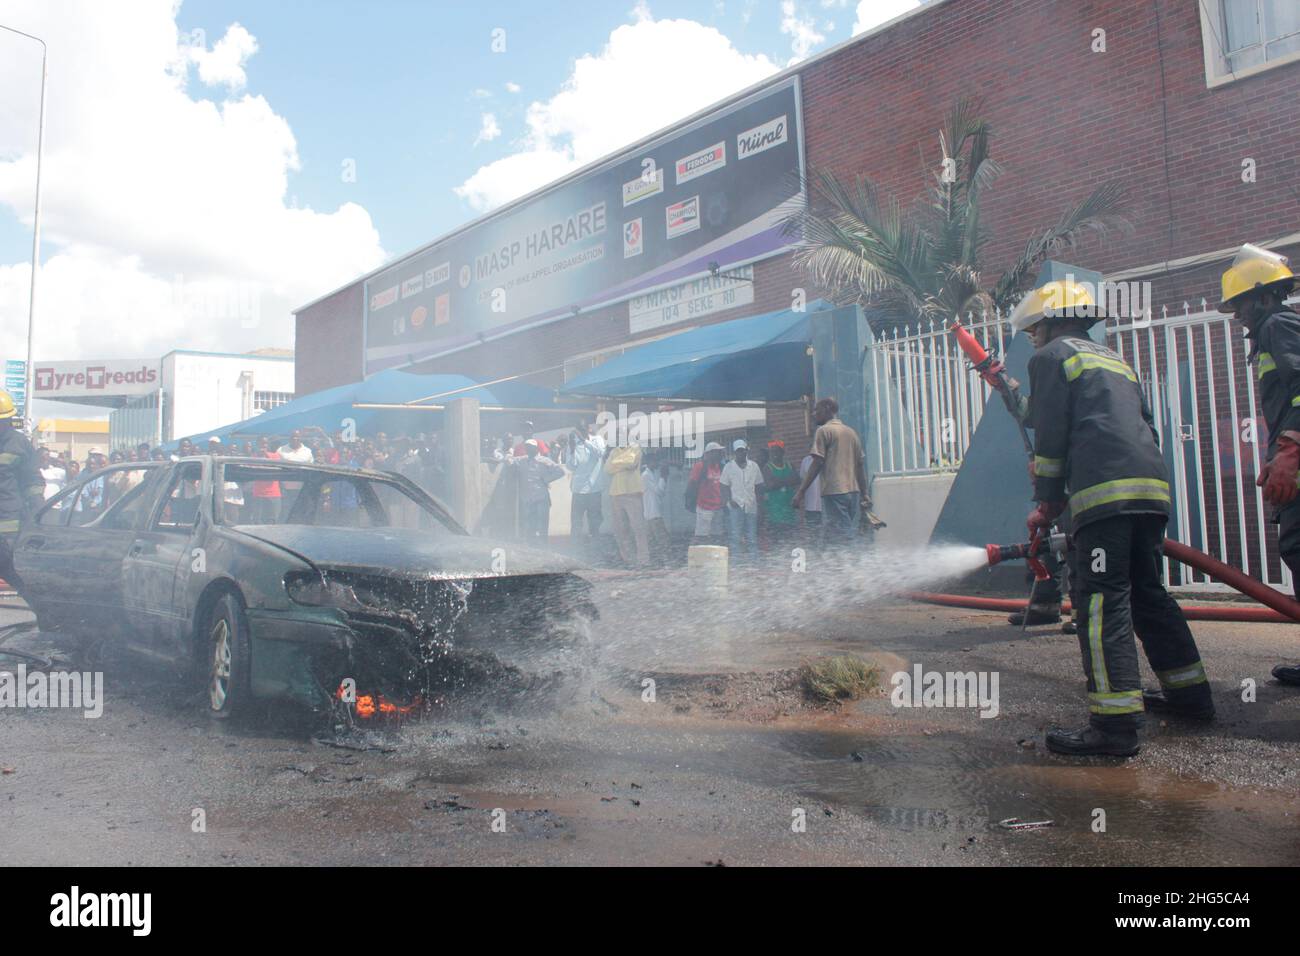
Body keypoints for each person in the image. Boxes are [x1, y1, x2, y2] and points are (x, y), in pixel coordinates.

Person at [1013, 275, 1212, 757]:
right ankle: (1191, 696)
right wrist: (1011, 393)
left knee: (1101, 604)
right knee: (1148, 593)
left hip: (1104, 495)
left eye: (1033, 329)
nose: (1032, 339)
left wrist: (1048, 499)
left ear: (1050, 321)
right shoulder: (1112, 361)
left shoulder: (1051, 357)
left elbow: (1052, 435)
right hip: (1149, 488)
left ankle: (1114, 726)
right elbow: (1127, 420)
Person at [1219, 244, 1300, 687]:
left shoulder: (1279, 325)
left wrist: (1290, 447)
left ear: (1264, 296)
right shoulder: (1278, 326)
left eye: (1242, 304)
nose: (1238, 316)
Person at [793, 398, 869, 549]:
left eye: (817, 410)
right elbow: (860, 466)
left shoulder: (823, 431)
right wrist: (864, 493)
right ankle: (828, 565)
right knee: (832, 535)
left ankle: (856, 565)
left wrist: (801, 492)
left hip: (835, 492)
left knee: (843, 535)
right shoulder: (851, 432)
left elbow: (817, 463)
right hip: (853, 493)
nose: (814, 414)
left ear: (827, 409)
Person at [0, 390, 44, 593]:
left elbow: (32, 482)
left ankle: (45, 614)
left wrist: (40, 513)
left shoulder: (18, 444)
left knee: (17, 575)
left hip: (8, 527)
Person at [605, 440, 649, 567]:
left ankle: (643, 560)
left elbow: (631, 463)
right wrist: (622, 464)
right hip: (616, 493)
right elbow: (607, 469)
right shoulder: (614, 451)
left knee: (638, 528)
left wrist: (616, 464)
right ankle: (629, 560)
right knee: (621, 530)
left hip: (632, 492)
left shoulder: (635, 448)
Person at [510, 439, 564, 542]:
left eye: (531, 447)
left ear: (536, 449)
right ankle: (532, 550)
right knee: (530, 526)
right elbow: (510, 460)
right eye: (527, 447)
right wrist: (508, 459)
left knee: (543, 526)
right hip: (529, 499)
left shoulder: (544, 460)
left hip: (542, 498)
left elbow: (560, 471)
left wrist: (547, 479)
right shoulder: (522, 460)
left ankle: (544, 548)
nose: (529, 449)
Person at [721, 439, 763, 563]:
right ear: (735, 452)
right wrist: (728, 502)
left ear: (746, 451)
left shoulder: (754, 466)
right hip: (735, 506)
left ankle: (754, 563)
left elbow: (760, 486)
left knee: (752, 537)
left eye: (743, 451)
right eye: (738, 451)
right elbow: (723, 486)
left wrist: (760, 506)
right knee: (735, 537)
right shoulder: (729, 467)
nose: (741, 453)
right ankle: (736, 565)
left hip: (751, 506)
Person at [569, 421, 607, 545]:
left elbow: (600, 453)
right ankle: (575, 551)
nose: (581, 432)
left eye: (583, 429)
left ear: (588, 428)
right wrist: (572, 449)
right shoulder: (574, 444)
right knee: (576, 524)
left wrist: (584, 440)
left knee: (595, 524)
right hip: (578, 490)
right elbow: (571, 466)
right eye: (579, 430)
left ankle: (596, 550)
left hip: (594, 490)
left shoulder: (597, 440)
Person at [760, 439, 798, 552]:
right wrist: (787, 480)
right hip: (775, 512)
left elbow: (796, 480)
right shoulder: (767, 468)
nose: (774, 454)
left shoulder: (790, 465)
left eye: (777, 451)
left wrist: (778, 481)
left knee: (790, 541)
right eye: (772, 452)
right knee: (776, 542)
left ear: (783, 452)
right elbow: (771, 484)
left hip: (789, 511)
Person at [687, 442, 726, 540]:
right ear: (710, 453)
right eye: (718, 452)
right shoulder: (700, 466)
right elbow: (692, 484)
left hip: (718, 507)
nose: (720, 454)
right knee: (702, 537)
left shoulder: (720, 467)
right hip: (704, 508)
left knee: (717, 536)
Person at [642, 452, 670, 566]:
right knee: (663, 540)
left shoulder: (650, 474)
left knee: (652, 541)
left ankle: (656, 563)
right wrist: (664, 477)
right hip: (654, 514)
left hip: (650, 514)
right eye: (655, 461)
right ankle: (666, 562)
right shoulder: (646, 475)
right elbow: (659, 491)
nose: (657, 463)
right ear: (648, 463)